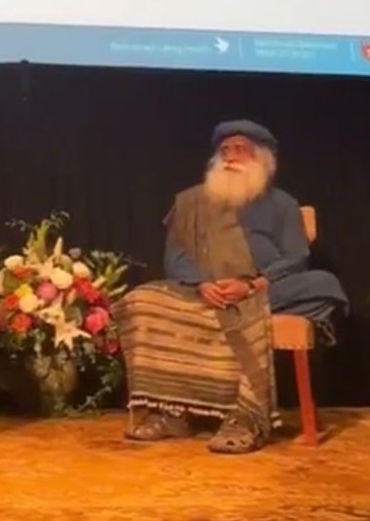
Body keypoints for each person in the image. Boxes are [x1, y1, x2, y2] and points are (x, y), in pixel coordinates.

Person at [113, 119, 348, 454]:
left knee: (323, 284)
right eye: (225, 150)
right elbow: (176, 257)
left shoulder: (282, 204)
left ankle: (246, 416)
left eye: (240, 149)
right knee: (141, 300)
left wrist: (252, 286)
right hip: (203, 293)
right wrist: (202, 284)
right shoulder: (192, 203)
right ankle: (173, 414)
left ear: (261, 158)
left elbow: (296, 258)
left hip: (262, 290)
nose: (231, 157)